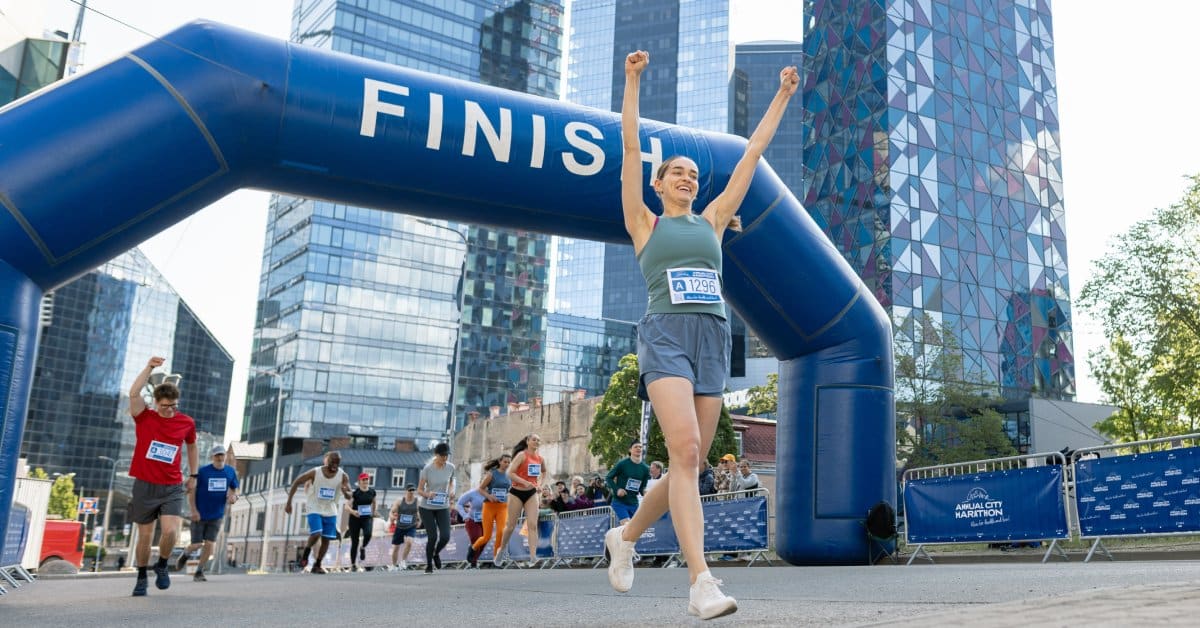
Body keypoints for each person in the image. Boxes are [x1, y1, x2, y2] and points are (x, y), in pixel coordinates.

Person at [603, 49, 797, 620]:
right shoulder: (644, 221)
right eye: (677, 173)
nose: (686, 178)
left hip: (713, 336)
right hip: (665, 335)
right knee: (685, 451)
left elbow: (752, 155)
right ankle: (701, 581)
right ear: (660, 184)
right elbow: (631, 148)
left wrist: (783, 94)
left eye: (693, 174)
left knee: (693, 463)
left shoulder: (714, 220)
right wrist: (633, 80)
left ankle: (626, 535)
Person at [126, 356, 199, 597]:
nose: (170, 410)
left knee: (170, 532)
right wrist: (149, 367)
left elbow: (192, 446)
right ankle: (141, 576)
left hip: (171, 484)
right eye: (165, 406)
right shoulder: (144, 417)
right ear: (156, 403)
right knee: (145, 536)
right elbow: (134, 393)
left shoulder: (186, 422)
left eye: (174, 405)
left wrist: (194, 474)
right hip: (145, 484)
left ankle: (162, 564)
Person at [284, 451, 352, 574]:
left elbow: (349, 495)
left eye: (337, 463)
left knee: (326, 539)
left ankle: (317, 564)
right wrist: (289, 502)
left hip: (330, 510)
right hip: (314, 507)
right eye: (332, 462)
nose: (335, 466)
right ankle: (306, 552)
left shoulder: (343, 476)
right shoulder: (316, 472)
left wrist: (345, 492)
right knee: (317, 533)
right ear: (327, 462)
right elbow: (296, 482)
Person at [178, 444, 239, 582]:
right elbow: (191, 490)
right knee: (197, 544)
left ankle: (199, 571)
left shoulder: (230, 472)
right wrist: (193, 510)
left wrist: (234, 497)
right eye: (217, 455)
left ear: (225, 456)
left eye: (222, 454)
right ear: (212, 457)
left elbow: (234, 490)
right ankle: (186, 552)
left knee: (210, 544)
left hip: (217, 514)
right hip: (199, 514)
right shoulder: (203, 471)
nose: (219, 457)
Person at [498, 434, 546, 567]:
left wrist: (540, 484)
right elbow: (510, 473)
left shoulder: (540, 459)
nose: (537, 441)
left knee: (532, 524)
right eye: (534, 439)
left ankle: (533, 557)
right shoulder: (522, 455)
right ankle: (501, 550)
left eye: (538, 440)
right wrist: (524, 482)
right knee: (511, 526)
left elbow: (544, 472)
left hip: (531, 493)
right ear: (527, 441)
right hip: (516, 492)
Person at [417, 442, 456, 574]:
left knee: (445, 536)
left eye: (447, 455)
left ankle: (436, 553)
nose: (445, 458)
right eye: (443, 455)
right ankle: (429, 565)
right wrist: (428, 494)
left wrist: (451, 491)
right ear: (436, 455)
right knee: (432, 536)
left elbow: (451, 482)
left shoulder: (451, 467)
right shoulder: (427, 469)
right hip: (426, 507)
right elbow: (419, 490)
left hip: (442, 506)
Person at [468, 454, 511, 568]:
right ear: (500, 462)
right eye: (505, 462)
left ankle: (496, 560)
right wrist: (489, 495)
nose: (507, 464)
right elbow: (480, 489)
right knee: (486, 536)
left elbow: (511, 490)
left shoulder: (510, 475)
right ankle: (473, 548)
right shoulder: (492, 474)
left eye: (508, 462)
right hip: (489, 506)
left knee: (501, 533)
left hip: (503, 507)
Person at [606, 441, 651, 524]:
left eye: (640, 447)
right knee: (626, 525)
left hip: (634, 503)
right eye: (636, 447)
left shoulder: (645, 468)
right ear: (630, 450)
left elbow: (642, 488)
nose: (638, 448)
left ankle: (617, 535)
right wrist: (617, 489)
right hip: (620, 502)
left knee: (635, 529)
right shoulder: (622, 464)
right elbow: (608, 477)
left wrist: (645, 492)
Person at [346, 472, 377, 572]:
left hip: (366, 517)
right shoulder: (355, 493)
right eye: (363, 480)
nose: (365, 481)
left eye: (367, 479)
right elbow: (346, 506)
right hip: (355, 518)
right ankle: (353, 564)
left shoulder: (372, 492)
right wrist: (353, 512)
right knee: (354, 542)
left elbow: (374, 502)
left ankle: (363, 547)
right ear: (359, 482)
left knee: (368, 534)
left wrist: (373, 512)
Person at [388, 485, 421, 571]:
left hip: (411, 526)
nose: (412, 492)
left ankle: (403, 561)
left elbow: (420, 512)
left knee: (409, 542)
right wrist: (392, 517)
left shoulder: (417, 501)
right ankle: (394, 565)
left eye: (413, 490)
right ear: (406, 491)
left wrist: (419, 521)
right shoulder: (400, 501)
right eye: (410, 490)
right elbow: (391, 512)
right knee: (396, 547)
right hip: (400, 526)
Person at [456, 486, 485, 567]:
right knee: (476, 538)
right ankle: (474, 563)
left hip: (486, 520)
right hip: (472, 519)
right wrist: (465, 516)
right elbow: (459, 504)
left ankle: (472, 549)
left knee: (484, 541)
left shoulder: (491, 493)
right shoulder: (472, 493)